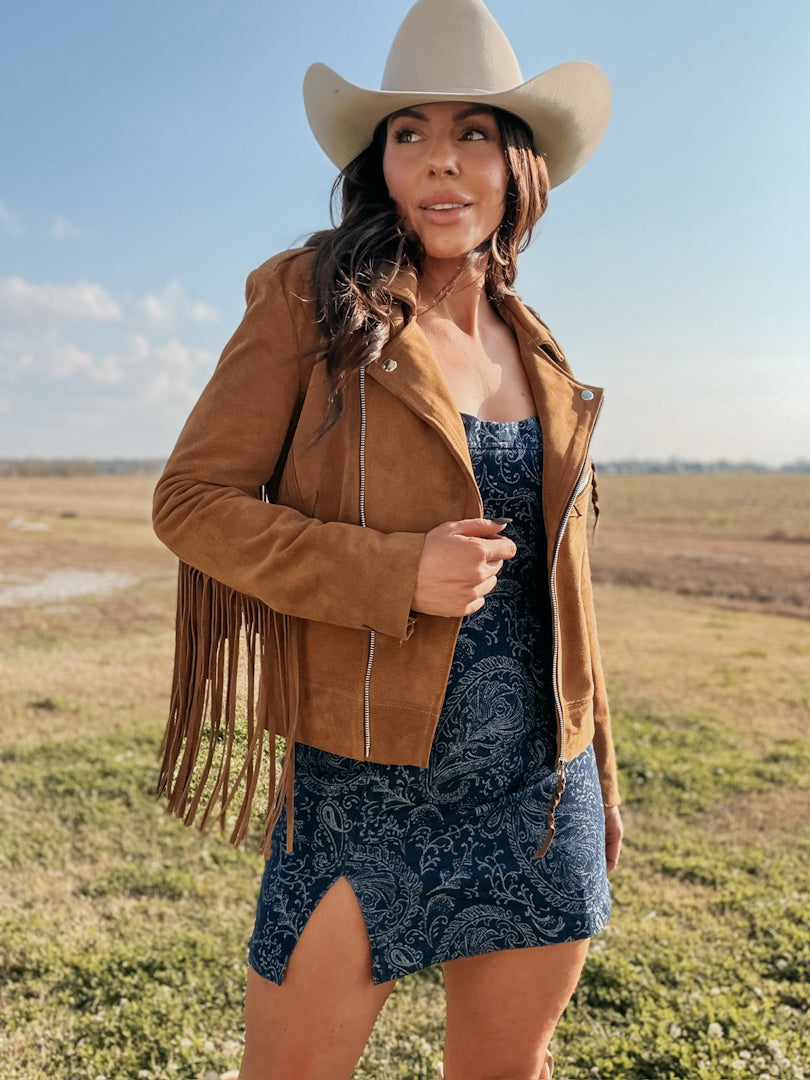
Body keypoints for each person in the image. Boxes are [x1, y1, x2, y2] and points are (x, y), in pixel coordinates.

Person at [152, 0, 624, 1077]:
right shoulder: (310, 301)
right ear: (380, 162)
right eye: (408, 133)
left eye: (472, 133)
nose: (440, 163)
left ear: (518, 166)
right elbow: (190, 499)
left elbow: (570, 595)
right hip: (360, 788)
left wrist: (601, 776)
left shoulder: (541, 352)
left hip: (537, 795)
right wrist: (396, 571)